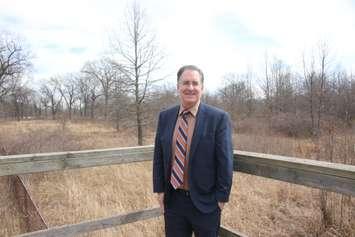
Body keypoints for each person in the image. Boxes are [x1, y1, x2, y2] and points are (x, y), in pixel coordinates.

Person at [153, 65, 233, 237]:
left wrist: (221, 199)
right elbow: (159, 156)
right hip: (173, 201)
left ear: (202, 88)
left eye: (195, 83)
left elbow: (225, 161)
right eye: (185, 83)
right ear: (178, 87)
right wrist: (159, 190)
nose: (190, 88)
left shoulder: (218, 118)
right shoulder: (165, 117)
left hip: (206, 202)